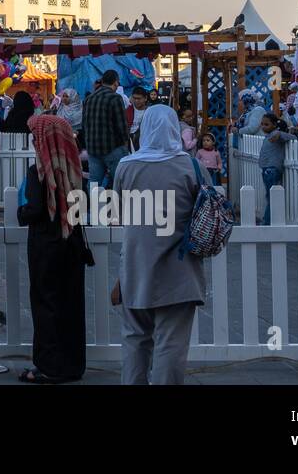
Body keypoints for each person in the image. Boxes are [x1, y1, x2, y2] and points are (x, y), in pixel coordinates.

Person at [111, 105, 206, 385]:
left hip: (135, 268)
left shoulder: (126, 166)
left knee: (134, 340)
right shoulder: (191, 166)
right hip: (180, 269)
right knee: (171, 344)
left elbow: (117, 214)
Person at [17, 111, 86, 384]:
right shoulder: (74, 168)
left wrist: (22, 213)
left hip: (47, 244)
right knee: (71, 303)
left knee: (46, 303)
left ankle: (48, 365)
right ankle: (72, 364)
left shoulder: (40, 171)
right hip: (72, 243)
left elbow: (34, 210)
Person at [82, 70, 130, 189]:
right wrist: (126, 144)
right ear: (116, 83)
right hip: (113, 148)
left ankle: (95, 206)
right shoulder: (115, 98)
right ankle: (116, 206)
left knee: (94, 182)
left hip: (93, 148)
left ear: (102, 82)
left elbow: (84, 124)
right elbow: (121, 125)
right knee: (118, 182)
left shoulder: (89, 99)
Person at [257, 114, 295, 225]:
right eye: (262, 124)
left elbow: (293, 138)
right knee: (270, 195)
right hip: (267, 169)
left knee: (271, 196)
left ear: (274, 125)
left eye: (267, 124)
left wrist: (279, 133)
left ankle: (268, 221)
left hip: (272, 170)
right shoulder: (269, 135)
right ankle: (268, 219)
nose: (263, 127)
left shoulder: (276, 135)